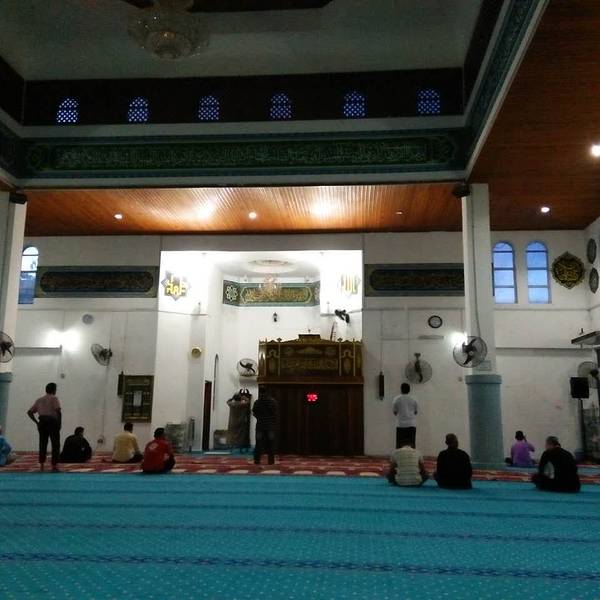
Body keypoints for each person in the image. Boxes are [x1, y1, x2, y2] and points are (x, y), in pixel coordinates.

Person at [27, 382, 62, 472]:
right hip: (52, 422)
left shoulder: (39, 400)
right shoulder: (54, 398)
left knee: (42, 443)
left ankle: (42, 464)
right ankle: (54, 465)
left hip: (42, 422)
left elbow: (29, 412)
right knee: (55, 443)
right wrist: (59, 423)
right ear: (54, 390)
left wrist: (36, 422)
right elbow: (58, 411)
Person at [252, 388, 277, 465]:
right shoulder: (272, 401)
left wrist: (259, 418)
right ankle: (271, 461)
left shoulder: (257, 402)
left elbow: (254, 413)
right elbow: (275, 412)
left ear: (260, 393)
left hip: (260, 425)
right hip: (270, 425)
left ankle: (257, 461)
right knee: (271, 444)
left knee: (258, 444)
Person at [392, 383, 418, 448]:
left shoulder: (396, 399)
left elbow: (395, 412)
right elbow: (416, 412)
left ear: (401, 389)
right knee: (412, 445)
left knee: (399, 445)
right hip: (411, 424)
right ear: (409, 390)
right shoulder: (414, 398)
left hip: (400, 425)